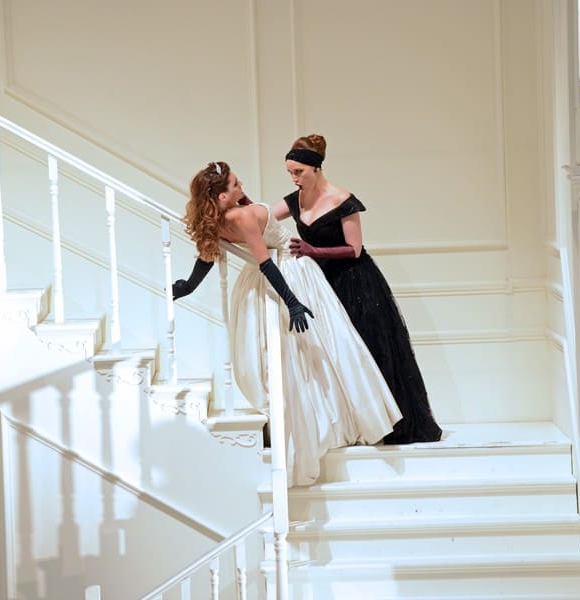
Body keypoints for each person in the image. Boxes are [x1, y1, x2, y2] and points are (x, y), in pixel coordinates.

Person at [173, 161, 402, 486]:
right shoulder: (241, 216)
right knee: (288, 357)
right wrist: (291, 301)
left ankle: (317, 419)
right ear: (221, 197)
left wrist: (188, 286)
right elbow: (263, 263)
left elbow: (211, 253)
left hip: (293, 271)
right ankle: (297, 420)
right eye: (235, 185)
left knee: (310, 354)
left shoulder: (224, 214)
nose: (242, 187)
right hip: (283, 274)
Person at [271, 134, 442, 444]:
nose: (294, 178)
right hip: (317, 283)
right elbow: (263, 218)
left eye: (299, 172)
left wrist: (313, 250)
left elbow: (355, 249)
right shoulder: (294, 199)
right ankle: (343, 423)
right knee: (329, 353)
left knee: (366, 348)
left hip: (353, 281)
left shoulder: (342, 200)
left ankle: (385, 423)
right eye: (290, 172)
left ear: (316, 168)